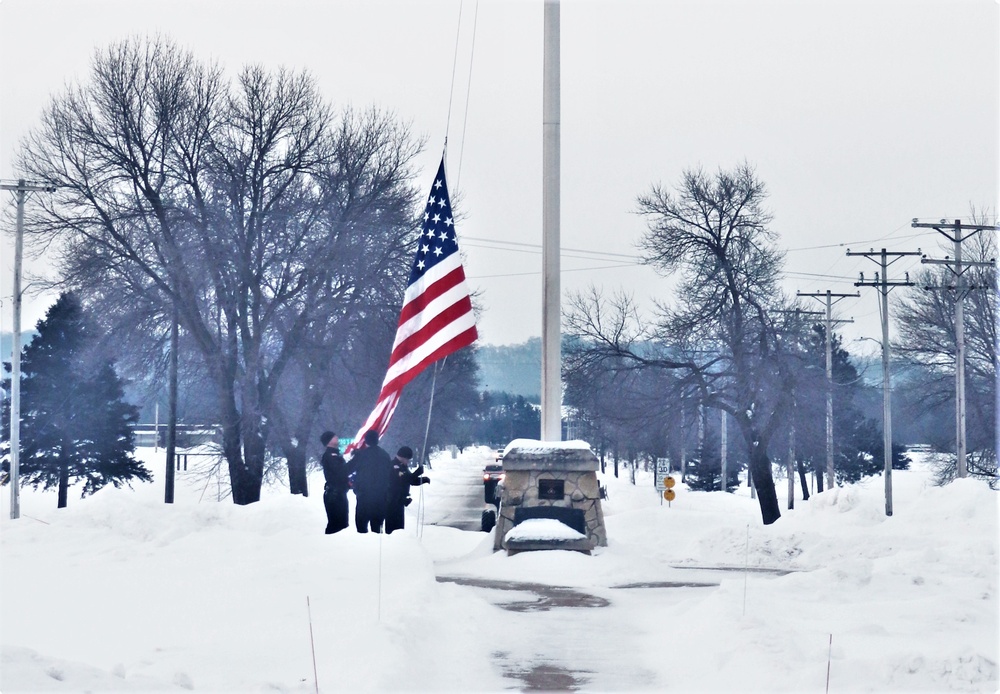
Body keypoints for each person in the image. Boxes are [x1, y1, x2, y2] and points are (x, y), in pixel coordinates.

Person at [349, 430, 394, 533]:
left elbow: (347, 469)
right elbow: (390, 474)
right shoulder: (385, 455)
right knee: (377, 529)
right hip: (380, 497)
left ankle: (363, 548)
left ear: (366, 441)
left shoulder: (361, 455)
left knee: (361, 527)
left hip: (363, 496)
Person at [385, 446, 431, 534]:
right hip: (392, 501)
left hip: (400, 501)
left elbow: (411, 480)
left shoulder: (403, 467)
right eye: (408, 459)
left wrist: (423, 479)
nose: (408, 462)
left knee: (400, 529)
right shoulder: (394, 466)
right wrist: (417, 472)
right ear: (402, 457)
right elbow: (403, 479)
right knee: (392, 529)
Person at [319, 431, 351, 534]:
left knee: (342, 524)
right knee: (337, 526)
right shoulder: (330, 455)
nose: (337, 437)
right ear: (328, 441)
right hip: (334, 494)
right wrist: (354, 462)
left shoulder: (336, 454)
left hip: (339, 492)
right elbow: (340, 471)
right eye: (334, 437)